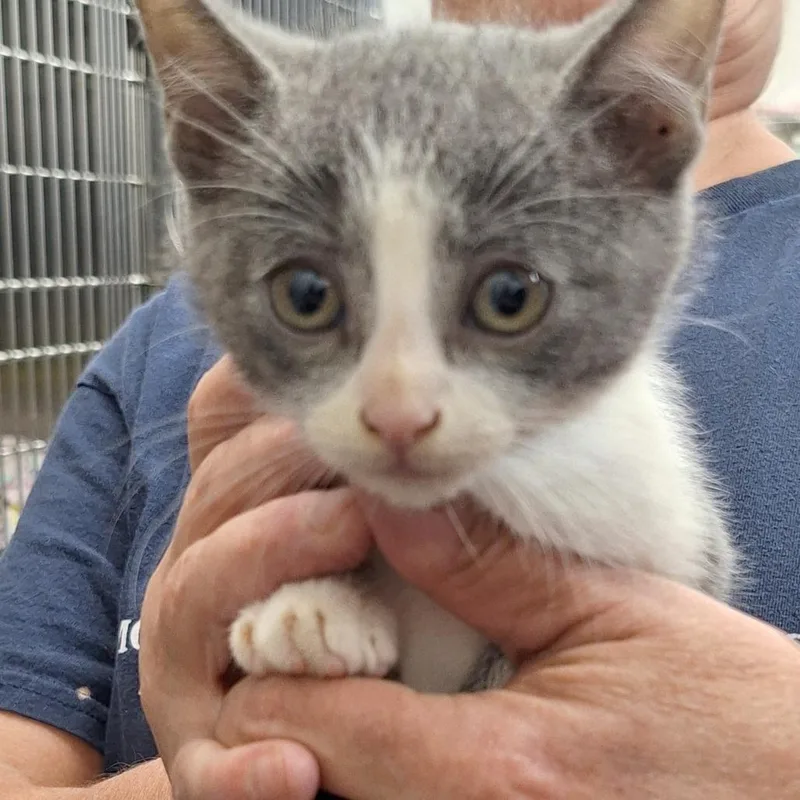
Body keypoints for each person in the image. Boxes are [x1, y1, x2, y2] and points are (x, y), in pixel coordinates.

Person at [0, 0, 798, 797]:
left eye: (508, 298)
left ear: (648, 128)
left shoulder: (644, 485)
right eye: (311, 296)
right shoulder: (147, 364)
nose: (400, 414)